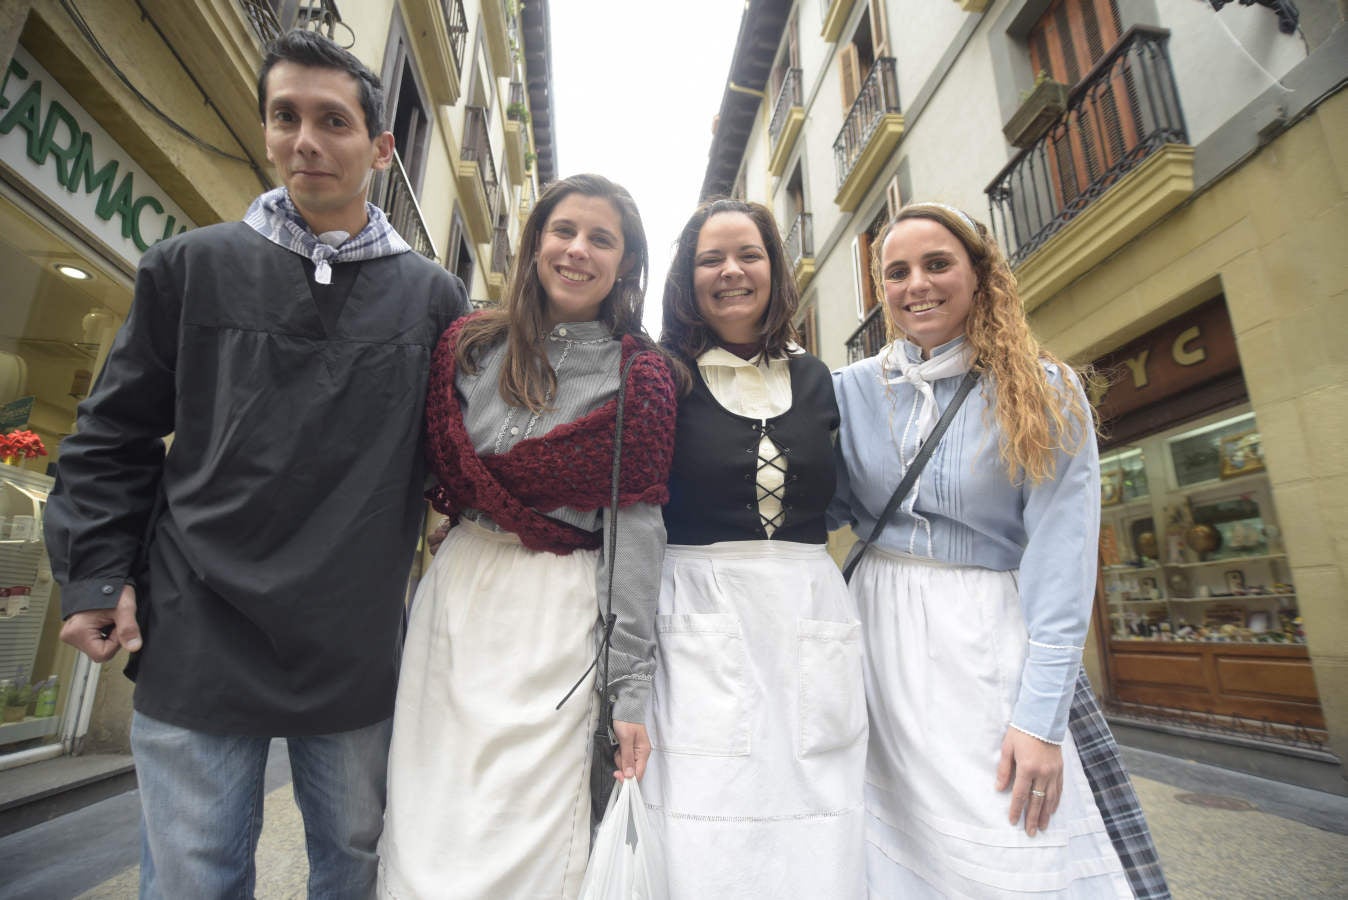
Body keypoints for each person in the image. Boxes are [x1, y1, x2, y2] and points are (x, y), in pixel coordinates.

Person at [44, 30, 468, 898]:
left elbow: (461, 462)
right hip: (195, 624)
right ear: (268, 130)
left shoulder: (433, 299)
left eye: (332, 120)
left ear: (381, 149)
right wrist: (96, 577)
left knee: (355, 867)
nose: (305, 139)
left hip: (353, 645)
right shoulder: (189, 267)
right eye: (286, 117)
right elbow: (110, 437)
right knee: (196, 878)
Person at [830, 202, 1150, 897]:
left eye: (938, 264)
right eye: (897, 272)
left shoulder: (1042, 390)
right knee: (880, 846)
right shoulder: (848, 392)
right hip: (874, 636)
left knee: (1008, 845)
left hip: (982, 637)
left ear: (979, 274)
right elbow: (812, 509)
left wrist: (1040, 721)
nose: (917, 284)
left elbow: (1061, 568)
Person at [377, 173, 679, 898]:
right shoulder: (469, 348)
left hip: (557, 611)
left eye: (601, 239)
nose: (578, 251)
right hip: (455, 595)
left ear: (627, 265)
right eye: (564, 231)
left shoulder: (642, 379)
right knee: (429, 807)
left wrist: (628, 688)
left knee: (532, 820)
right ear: (537, 242)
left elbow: (636, 538)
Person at [644, 198, 866, 898]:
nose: (731, 271)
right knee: (706, 806)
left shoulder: (816, 377)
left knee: (817, 805)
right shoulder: (659, 374)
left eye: (749, 254)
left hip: (806, 612)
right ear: (687, 276)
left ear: (775, 267)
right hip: (696, 616)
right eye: (711, 258)